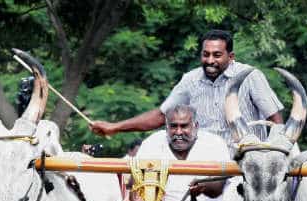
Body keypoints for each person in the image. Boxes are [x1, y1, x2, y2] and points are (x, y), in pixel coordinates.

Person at [90, 29, 284, 146]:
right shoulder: (190, 80)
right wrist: (114, 127)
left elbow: (275, 121)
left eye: (217, 55)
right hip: (202, 163)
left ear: (231, 57)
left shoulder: (251, 76)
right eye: (205, 54)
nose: (209, 60)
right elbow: (161, 116)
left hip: (245, 163)